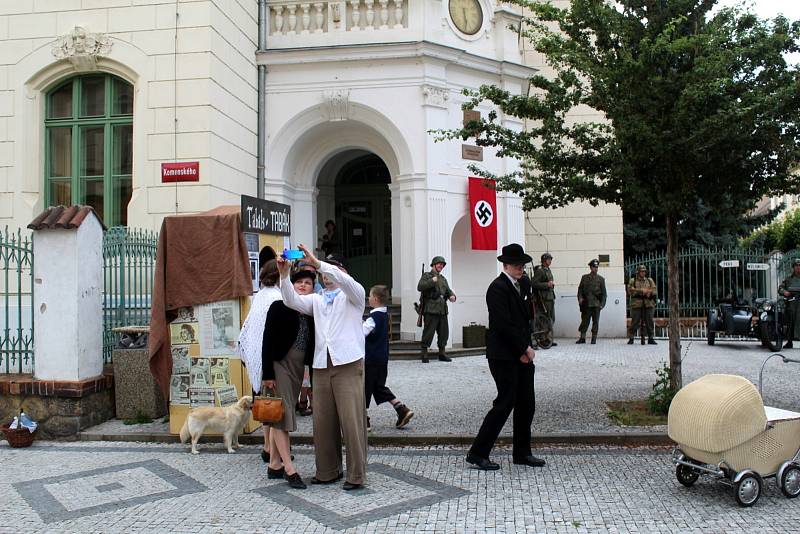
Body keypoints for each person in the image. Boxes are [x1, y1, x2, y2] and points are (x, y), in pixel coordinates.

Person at [278, 244, 368, 491]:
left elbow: (344, 280)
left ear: (342, 270)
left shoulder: (354, 294)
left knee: (351, 422)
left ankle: (356, 474)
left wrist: (319, 264)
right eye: (322, 272)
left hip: (347, 362)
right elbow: (291, 300)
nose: (325, 275)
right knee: (323, 422)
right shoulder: (317, 299)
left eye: (331, 270)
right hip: (322, 363)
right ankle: (327, 471)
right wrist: (285, 275)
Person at [467, 243, 544, 471]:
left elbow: (525, 321)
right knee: (505, 402)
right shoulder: (497, 288)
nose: (521, 268)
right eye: (517, 265)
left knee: (526, 403)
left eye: (523, 264)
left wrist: (525, 349)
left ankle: (522, 452)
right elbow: (503, 325)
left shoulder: (524, 284)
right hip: (503, 355)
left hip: (521, 352)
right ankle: (478, 452)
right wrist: (522, 349)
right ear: (505, 265)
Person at [262, 269, 316, 489]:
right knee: (282, 417)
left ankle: (274, 463)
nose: (303, 285)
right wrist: (267, 373)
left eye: (308, 283)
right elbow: (267, 340)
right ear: (291, 285)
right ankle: (289, 469)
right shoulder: (278, 306)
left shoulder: (312, 310)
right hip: (279, 365)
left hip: (297, 368)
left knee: (280, 413)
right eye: (299, 282)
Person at [237, 258, 282, 464]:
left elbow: (246, 332)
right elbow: (272, 334)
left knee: (265, 406)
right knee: (275, 408)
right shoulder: (278, 297)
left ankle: (266, 446)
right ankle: (273, 450)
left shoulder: (259, 296)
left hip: (256, 359)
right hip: (270, 361)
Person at [363, 284, 414, 431]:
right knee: (378, 386)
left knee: (364, 388)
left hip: (371, 359)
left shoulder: (374, 317)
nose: (368, 298)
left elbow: (362, 333)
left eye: (370, 296)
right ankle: (401, 409)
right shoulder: (385, 315)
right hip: (382, 358)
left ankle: (363, 419)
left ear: (376, 299)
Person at [417, 256, 457, 363]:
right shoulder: (427, 276)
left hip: (442, 309)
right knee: (428, 332)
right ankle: (424, 353)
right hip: (430, 309)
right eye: (439, 264)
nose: (441, 266)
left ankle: (442, 353)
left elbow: (448, 291)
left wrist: (452, 296)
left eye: (442, 264)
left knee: (444, 332)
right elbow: (420, 287)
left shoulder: (443, 279)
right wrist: (431, 281)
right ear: (434, 264)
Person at [576, 259, 607, 344]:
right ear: (590, 267)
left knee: (595, 322)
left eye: (596, 267)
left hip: (596, 304)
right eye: (594, 267)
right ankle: (582, 337)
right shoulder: (584, 277)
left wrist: (602, 305)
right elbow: (580, 290)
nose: (595, 269)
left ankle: (594, 338)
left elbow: (604, 294)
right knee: (584, 321)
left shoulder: (601, 279)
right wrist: (580, 298)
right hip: (586, 304)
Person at [531, 252, 557, 347]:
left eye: (550, 259)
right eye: (548, 259)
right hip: (544, 299)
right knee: (544, 320)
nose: (550, 261)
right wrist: (547, 285)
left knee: (551, 319)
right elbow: (533, 283)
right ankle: (543, 339)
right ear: (544, 260)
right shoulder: (540, 271)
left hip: (550, 297)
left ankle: (548, 338)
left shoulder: (547, 270)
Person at [627, 265, 657, 345]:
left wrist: (648, 292)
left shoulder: (649, 280)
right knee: (635, 321)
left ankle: (650, 337)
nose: (643, 273)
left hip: (648, 304)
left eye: (644, 271)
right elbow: (630, 291)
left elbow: (654, 290)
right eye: (641, 271)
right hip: (637, 304)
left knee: (649, 321)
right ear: (638, 272)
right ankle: (631, 337)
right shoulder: (633, 281)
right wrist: (641, 291)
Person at [780, 258, 800, 349]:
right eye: (796, 266)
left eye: (799, 266)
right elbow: (780, 288)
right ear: (793, 267)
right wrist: (785, 292)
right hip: (791, 303)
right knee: (790, 322)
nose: (798, 267)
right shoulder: (788, 278)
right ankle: (789, 341)